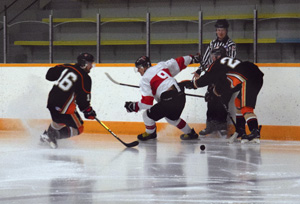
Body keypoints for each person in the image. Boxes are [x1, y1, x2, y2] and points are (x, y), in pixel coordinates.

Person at [185, 47, 263, 143]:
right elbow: (230, 82)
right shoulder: (233, 61)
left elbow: (207, 78)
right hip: (254, 75)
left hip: (248, 79)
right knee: (238, 102)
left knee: (246, 108)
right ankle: (240, 130)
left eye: (213, 56)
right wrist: (215, 93)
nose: (212, 59)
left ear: (218, 56)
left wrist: (193, 84)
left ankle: (254, 132)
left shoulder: (217, 63)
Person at [124, 55, 201, 141]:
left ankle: (150, 133)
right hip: (181, 96)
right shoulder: (161, 66)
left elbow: (147, 104)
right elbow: (178, 62)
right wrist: (193, 58)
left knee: (147, 116)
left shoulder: (145, 80)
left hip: (169, 99)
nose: (138, 71)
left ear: (143, 67)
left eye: (138, 68)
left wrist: (134, 106)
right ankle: (191, 133)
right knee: (172, 119)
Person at [40, 53, 97, 148]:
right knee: (79, 128)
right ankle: (52, 135)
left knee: (59, 120)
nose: (91, 66)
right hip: (64, 107)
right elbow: (83, 101)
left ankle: (47, 135)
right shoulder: (85, 78)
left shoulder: (67, 67)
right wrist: (88, 111)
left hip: (51, 101)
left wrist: (60, 67)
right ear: (83, 64)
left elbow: (49, 76)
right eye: (90, 64)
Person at [196, 19, 236, 137]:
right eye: (218, 30)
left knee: (223, 99)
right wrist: (199, 70)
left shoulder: (231, 44)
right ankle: (210, 125)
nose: (220, 32)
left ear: (226, 30)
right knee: (210, 99)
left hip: (225, 77)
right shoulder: (212, 43)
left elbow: (231, 61)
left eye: (222, 30)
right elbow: (206, 60)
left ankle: (222, 125)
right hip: (212, 76)